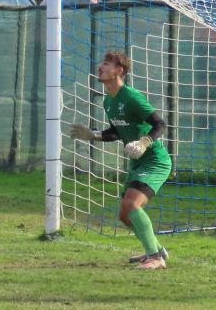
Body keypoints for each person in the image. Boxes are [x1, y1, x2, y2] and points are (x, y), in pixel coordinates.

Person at [69, 51, 172, 270]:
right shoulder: (108, 100)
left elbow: (160, 124)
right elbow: (117, 131)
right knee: (126, 216)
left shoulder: (131, 97)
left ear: (120, 71)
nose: (100, 67)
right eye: (101, 63)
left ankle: (155, 258)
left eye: (106, 64)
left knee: (131, 205)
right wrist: (94, 135)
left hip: (155, 160)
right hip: (137, 163)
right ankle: (157, 249)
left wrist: (144, 142)